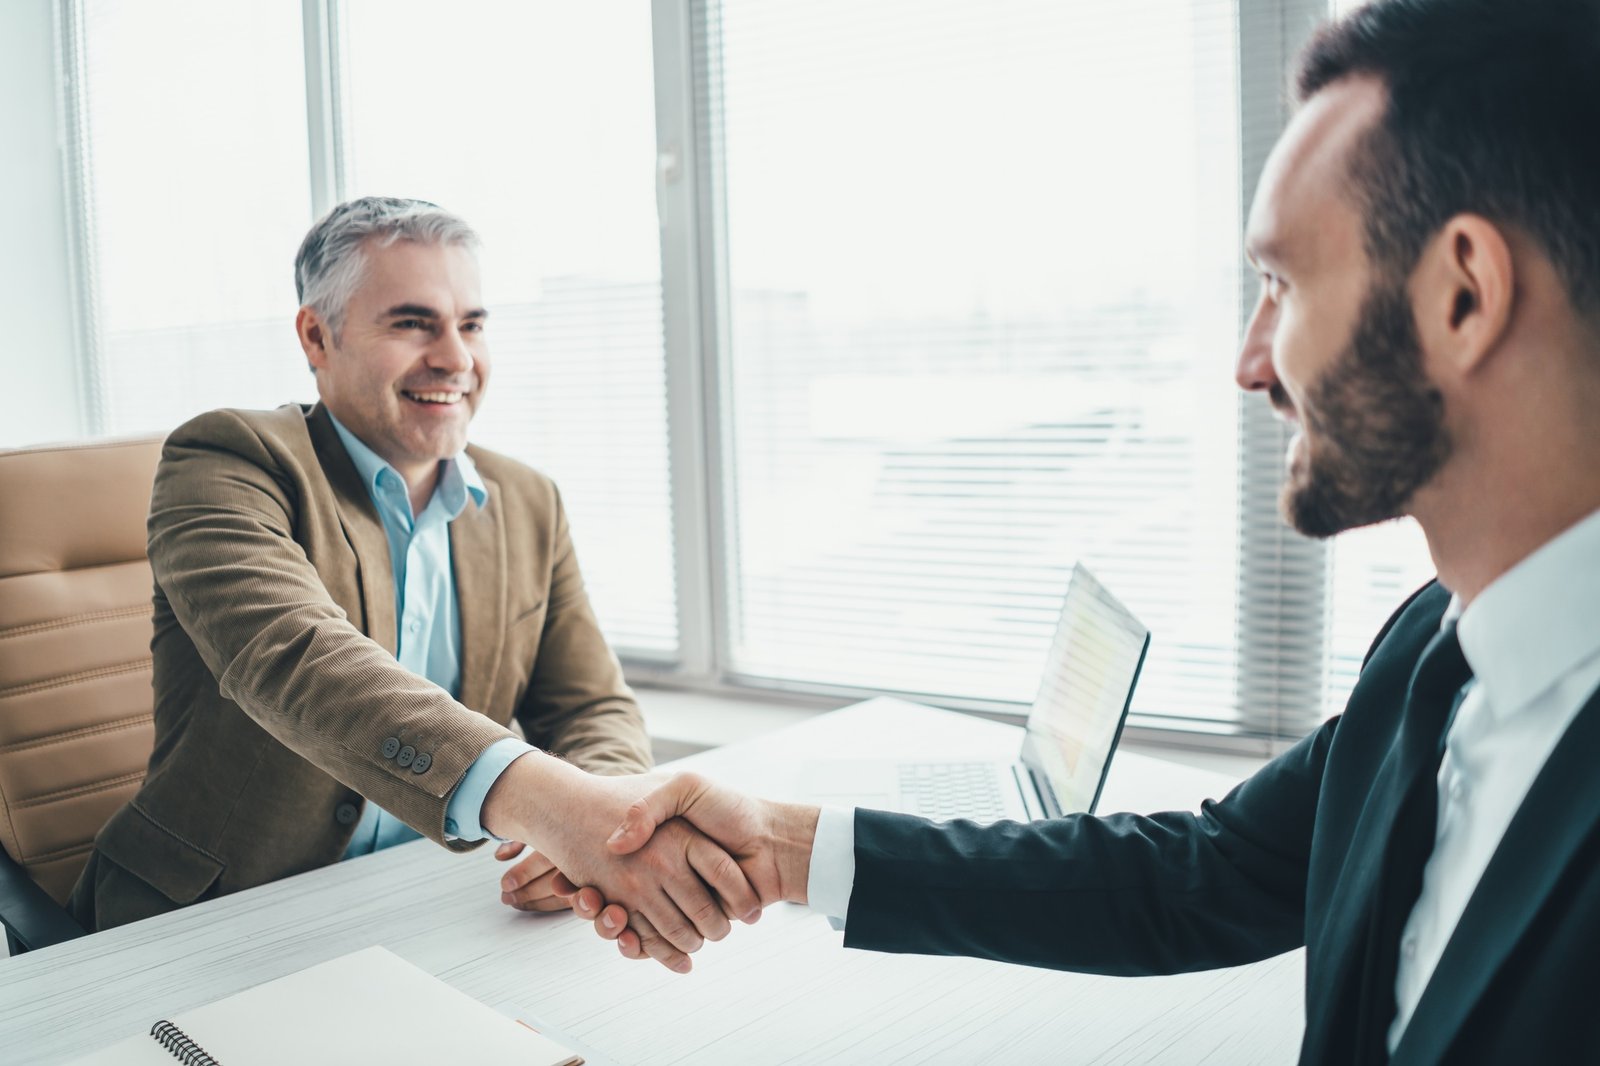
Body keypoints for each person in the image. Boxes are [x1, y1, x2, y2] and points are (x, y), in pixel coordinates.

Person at [564, 0, 1600, 1059]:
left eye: (1281, 286)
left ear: (1463, 295)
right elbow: (1210, 869)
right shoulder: (1432, 649)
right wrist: (787, 846)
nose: (1251, 363)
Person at [67, 198, 757, 968]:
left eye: (471, 324)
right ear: (316, 337)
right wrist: (556, 809)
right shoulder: (228, 460)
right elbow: (295, 657)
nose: (455, 358)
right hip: (216, 922)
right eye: (412, 323)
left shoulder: (529, 500)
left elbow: (590, 705)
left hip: (428, 908)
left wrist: (595, 831)